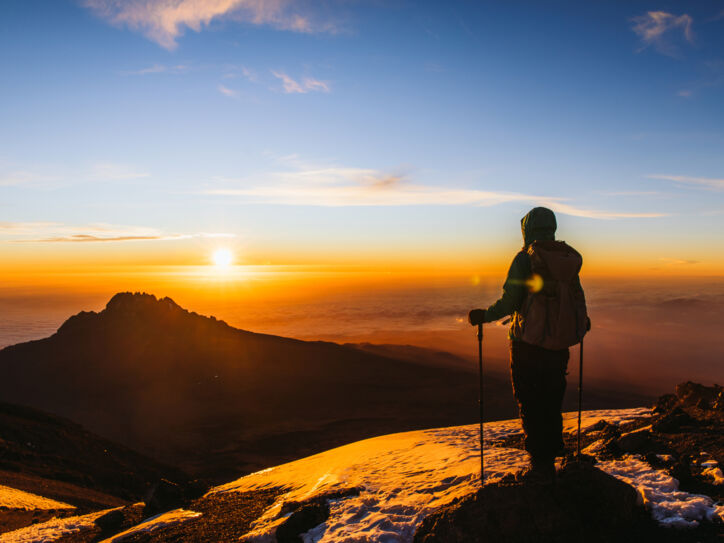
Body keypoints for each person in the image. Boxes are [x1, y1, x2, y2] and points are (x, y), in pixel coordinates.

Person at [468, 206, 586, 482]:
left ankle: (540, 465)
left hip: (528, 344)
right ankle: (551, 454)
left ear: (526, 230)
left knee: (530, 399)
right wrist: (581, 324)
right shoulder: (566, 260)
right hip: (559, 343)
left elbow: (510, 300)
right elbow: (576, 298)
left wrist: (485, 315)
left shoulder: (525, 259)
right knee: (551, 397)